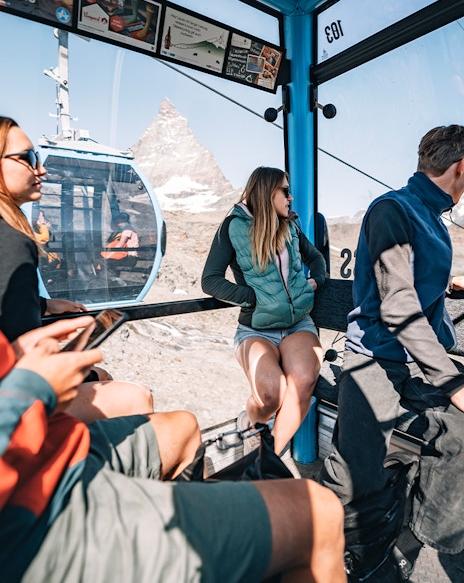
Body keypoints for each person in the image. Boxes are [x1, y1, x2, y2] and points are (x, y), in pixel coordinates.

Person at [0, 316, 346, 583]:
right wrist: (31, 387)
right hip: (31, 515)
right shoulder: (239, 228)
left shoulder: (294, 241)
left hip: (43, 450)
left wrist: (13, 358)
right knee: (319, 512)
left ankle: (190, 554)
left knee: (183, 426)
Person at [319, 125, 464, 581]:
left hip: (418, 359)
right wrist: (455, 381)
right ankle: (342, 551)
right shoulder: (392, 209)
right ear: (461, 168)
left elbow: (419, 287)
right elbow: (398, 304)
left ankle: (421, 534)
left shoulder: (432, 218)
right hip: (376, 359)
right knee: (355, 469)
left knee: (459, 432)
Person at [0, 116, 154, 422]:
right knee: (139, 397)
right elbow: (21, 348)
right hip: (16, 400)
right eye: (28, 158)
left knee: (103, 376)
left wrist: (43, 305)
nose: (40, 169)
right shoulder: (12, 241)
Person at [202, 166, 326, 455]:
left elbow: (315, 257)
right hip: (256, 330)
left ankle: (267, 461)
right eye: (285, 190)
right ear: (267, 191)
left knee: (303, 383)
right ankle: (249, 422)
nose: (291, 198)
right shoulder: (232, 227)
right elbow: (210, 280)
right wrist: (252, 298)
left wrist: (314, 282)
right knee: (271, 393)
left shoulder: (290, 226)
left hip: (298, 325)